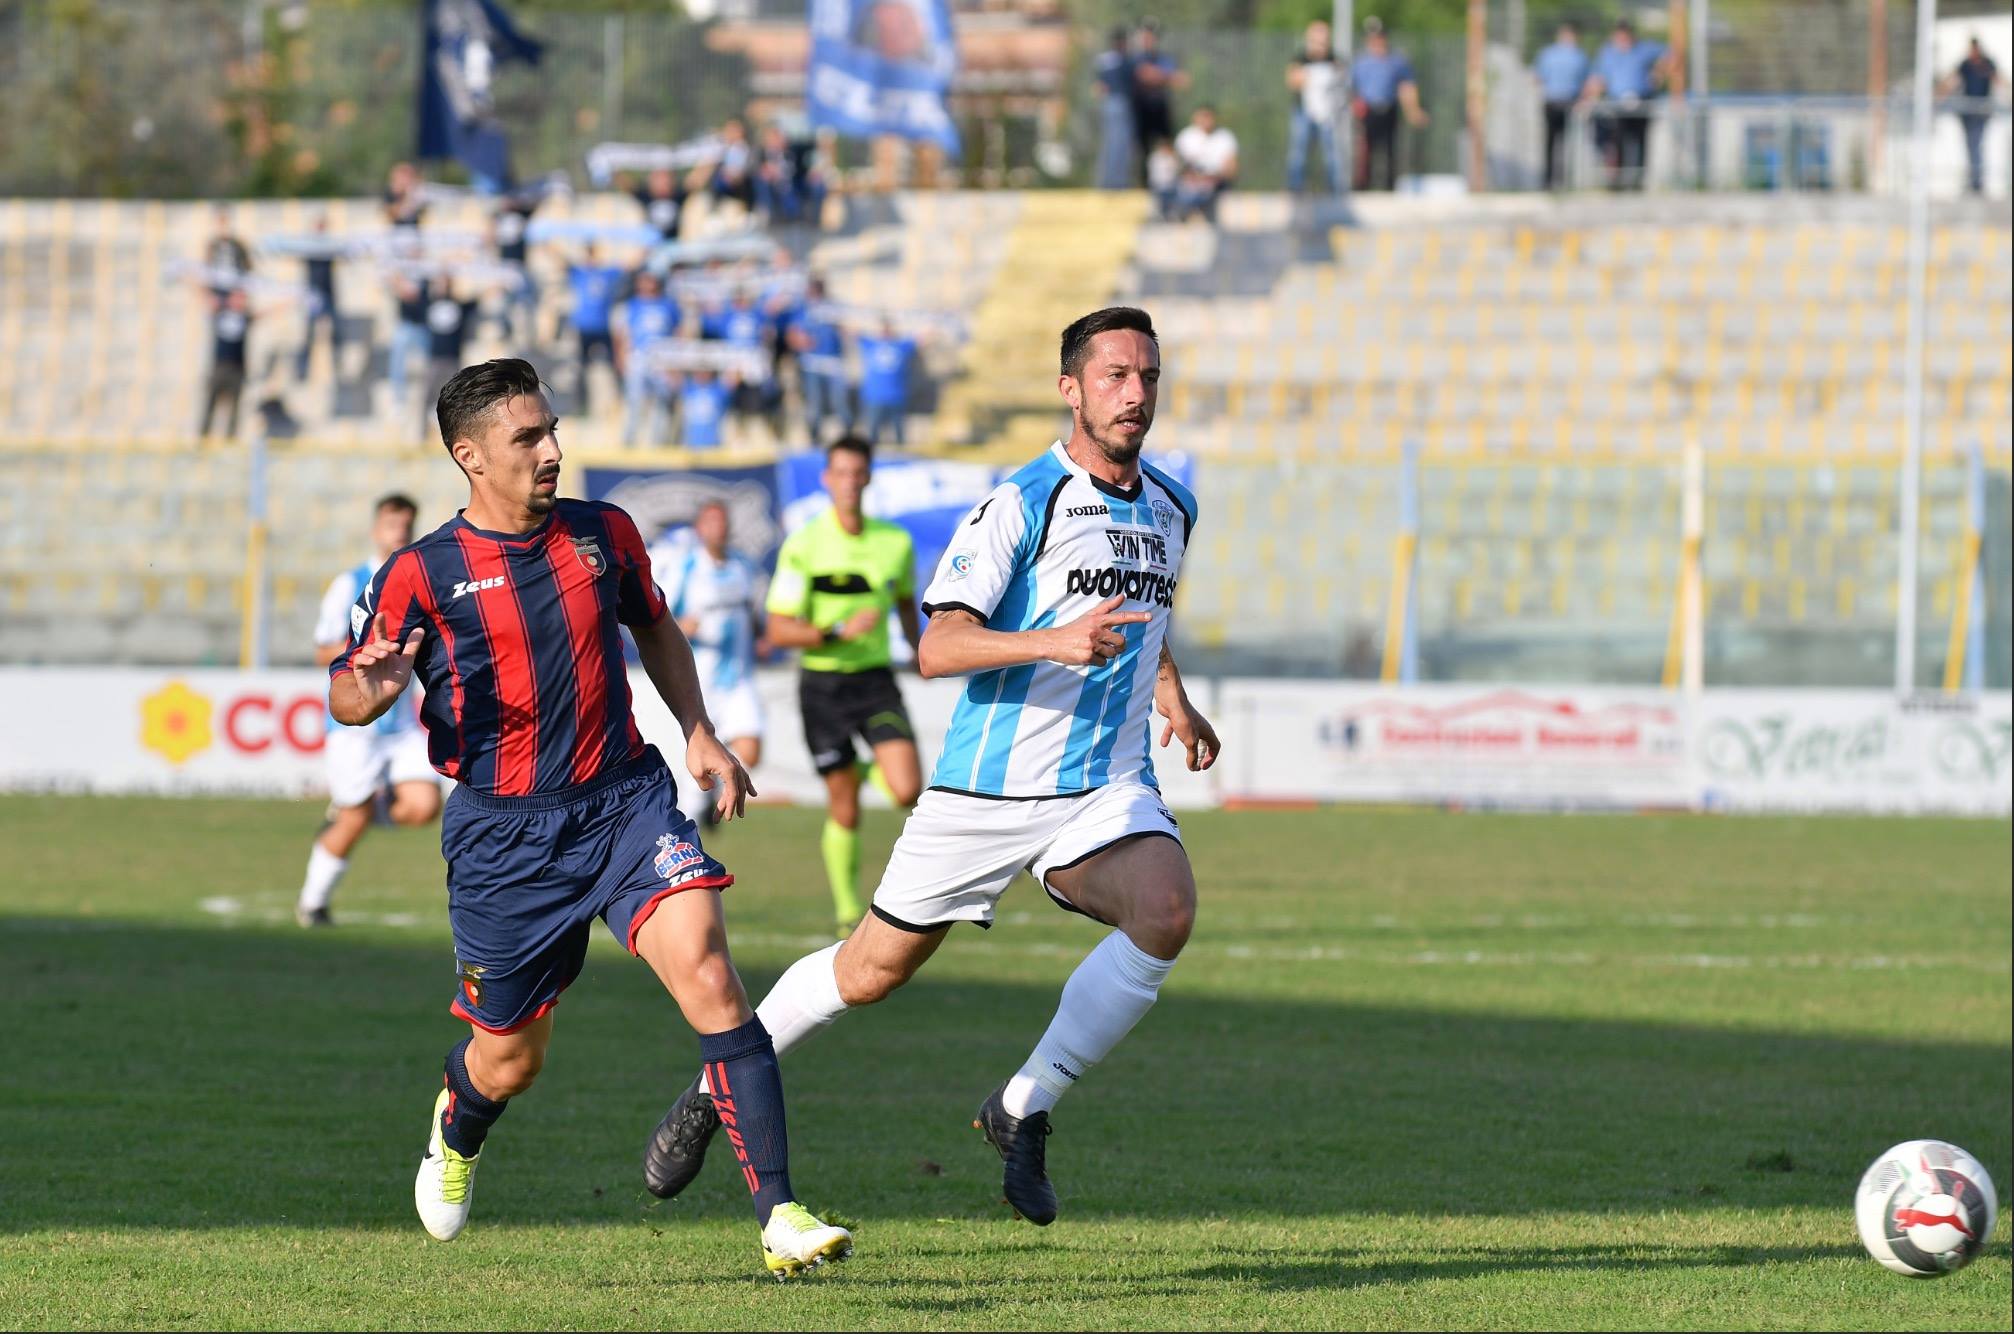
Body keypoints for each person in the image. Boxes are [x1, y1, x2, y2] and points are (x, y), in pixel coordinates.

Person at [640, 306, 1219, 1232]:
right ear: (1070, 390)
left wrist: (1169, 693)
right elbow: (939, 645)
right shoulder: (1022, 502)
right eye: (1114, 375)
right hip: (987, 791)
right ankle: (720, 1082)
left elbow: (1143, 619)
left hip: (1104, 786)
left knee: (1168, 911)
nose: (1135, 393)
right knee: (870, 972)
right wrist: (1055, 641)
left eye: (1147, 375)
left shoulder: (1172, 507)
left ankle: (1023, 1107)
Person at [328, 358, 851, 1277]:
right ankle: (459, 1122)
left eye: (552, 429)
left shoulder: (604, 533)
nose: (553, 450)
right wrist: (365, 691)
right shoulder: (420, 572)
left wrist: (700, 732)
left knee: (712, 974)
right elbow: (349, 688)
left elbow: (654, 626)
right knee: (510, 1062)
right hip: (503, 839)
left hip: (624, 803)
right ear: (470, 456)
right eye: (528, 437)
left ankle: (781, 1215)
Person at [756, 437, 923, 935]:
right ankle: (848, 909)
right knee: (844, 805)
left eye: (858, 472)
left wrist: (920, 652)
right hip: (823, 687)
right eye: (841, 473)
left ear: (868, 478)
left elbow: (905, 605)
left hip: (875, 683)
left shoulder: (896, 543)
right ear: (827, 480)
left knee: (906, 789)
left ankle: (863, 764)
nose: (850, 482)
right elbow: (779, 629)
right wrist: (832, 632)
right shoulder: (805, 544)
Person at [297, 494, 442, 928]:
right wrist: (365, 651)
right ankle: (312, 903)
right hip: (355, 726)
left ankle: (352, 813)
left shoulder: (419, 578)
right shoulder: (351, 583)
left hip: (399, 726)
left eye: (406, 524)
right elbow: (323, 648)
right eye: (392, 523)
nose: (399, 531)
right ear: (376, 527)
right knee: (355, 818)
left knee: (423, 805)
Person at [652, 501, 767, 826]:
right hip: (699, 680)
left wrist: (761, 636)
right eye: (711, 522)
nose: (718, 528)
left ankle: (713, 797)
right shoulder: (686, 567)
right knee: (696, 760)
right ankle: (690, 825)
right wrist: (686, 627)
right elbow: (660, 619)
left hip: (739, 677)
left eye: (722, 521)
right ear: (700, 529)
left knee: (752, 748)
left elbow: (755, 615)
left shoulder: (743, 568)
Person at [1580, 19, 1667, 191]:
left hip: (1641, 102)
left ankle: (1637, 182)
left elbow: (1671, 54)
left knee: (1641, 142)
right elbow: (1598, 78)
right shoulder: (1607, 53)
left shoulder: (1644, 49)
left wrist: (1658, 73)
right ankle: (1618, 182)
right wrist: (1588, 98)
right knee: (1617, 143)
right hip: (1617, 106)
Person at [1352, 18, 1428, 192]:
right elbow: (1352, 88)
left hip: (1389, 109)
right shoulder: (1361, 61)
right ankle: (1362, 188)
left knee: (1390, 151)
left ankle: (1389, 188)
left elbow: (1407, 87)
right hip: (1367, 111)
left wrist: (1413, 110)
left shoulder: (1397, 61)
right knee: (1365, 152)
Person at [617, 270, 683, 447]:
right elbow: (623, 334)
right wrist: (622, 358)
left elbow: (678, 333)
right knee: (635, 401)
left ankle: (658, 443)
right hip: (639, 356)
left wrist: (675, 363)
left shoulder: (668, 305)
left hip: (662, 359)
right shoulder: (632, 305)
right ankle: (629, 442)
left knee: (661, 402)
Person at [420, 279, 484, 441]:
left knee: (456, 399)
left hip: (453, 359)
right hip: (434, 359)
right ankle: (422, 435)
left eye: (446, 284)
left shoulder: (458, 305)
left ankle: (458, 435)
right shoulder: (429, 304)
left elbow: (478, 300)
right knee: (426, 398)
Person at [1286, 20, 1346, 195]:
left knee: (1331, 153)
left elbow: (1342, 83)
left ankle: (1334, 189)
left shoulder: (1334, 60)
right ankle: (1296, 188)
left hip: (1328, 113)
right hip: (1304, 111)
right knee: (1299, 150)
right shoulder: (1300, 59)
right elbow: (1292, 82)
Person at [565, 246, 624, 415]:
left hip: (603, 327)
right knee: (581, 367)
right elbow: (562, 262)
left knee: (614, 365)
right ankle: (581, 405)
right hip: (584, 328)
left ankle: (618, 401)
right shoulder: (580, 273)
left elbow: (629, 266)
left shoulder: (607, 273)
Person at [790, 276, 850, 442]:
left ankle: (847, 437)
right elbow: (792, 334)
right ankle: (814, 439)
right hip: (812, 362)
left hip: (833, 361)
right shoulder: (803, 309)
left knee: (839, 402)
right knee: (814, 404)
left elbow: (845, 327)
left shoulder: (833, 306)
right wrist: (801, 341)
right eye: (813, 288)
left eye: (818, 288)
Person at [1128, 20, 1187, 188]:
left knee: (1166, 145)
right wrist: (1163, 76)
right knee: (1142, 149)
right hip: (1141, 108)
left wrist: (1156, 75)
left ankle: (1170, 184)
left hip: (1160, 106)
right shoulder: (1135, 58)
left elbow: (1178, 79)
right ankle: (1143, 186)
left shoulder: (1164, 58)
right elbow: (1141, 75)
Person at [1944, 37, 2005, 196]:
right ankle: (1973, 180)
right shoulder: (1965, 64)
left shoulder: (1986, 63)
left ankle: (1977, 182)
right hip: (1967, 112)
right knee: (1970, 145)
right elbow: (1952, 81)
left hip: (1981, 112)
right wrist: (1938, 94)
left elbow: (1998, 80)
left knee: (1976, 144)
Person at [1534, 22, 1590, 190]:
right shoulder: (1570, 55)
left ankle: (1558, 181)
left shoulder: (1575, 55)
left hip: (1562, 101)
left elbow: (1538, 78)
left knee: (1561, 144)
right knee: (1556, 143)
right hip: (1558, 101)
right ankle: (1554, 181)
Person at [199, 288, 254, 439]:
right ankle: (203, 437)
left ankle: (230, 438)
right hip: (220, 366)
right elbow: (204, 296)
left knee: (235, 407)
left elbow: (264, 314)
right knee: (210, 405)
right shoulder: (220, 313)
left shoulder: (245, 317)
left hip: (237, 369)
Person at [296, 214, 344, 383]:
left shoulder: (329, 245)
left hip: (328, 292)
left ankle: (338, 364)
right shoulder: (309, 245)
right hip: (314, 294)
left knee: (336, 330)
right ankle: (301, 369)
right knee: (309, 332)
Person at [489, 190, 541, 347]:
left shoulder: (521, 214)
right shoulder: (499, 216)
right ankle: (505, 329)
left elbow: (536, 203)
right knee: (504, 301)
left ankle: (530, 333)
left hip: (520, 265)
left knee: (527, 301)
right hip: (505, 266)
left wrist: (519, 202)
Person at [855, 319, 918, 446]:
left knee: (899, 431)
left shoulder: (901, 345)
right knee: (873, 431)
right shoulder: (870, 344)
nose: (885, 332)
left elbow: (922, 338)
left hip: (897, 395)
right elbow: (851, 331)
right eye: (883, 330)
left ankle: (901, 454)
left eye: (888, 329)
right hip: (874, 395)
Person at [1173, 105, 1239, 223]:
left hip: (1217, 184)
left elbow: (1231, 168)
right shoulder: (1186, 137)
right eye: (1201, 117)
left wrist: (1213, 177)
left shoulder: (1225, 137)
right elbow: (1179, 167)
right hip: (1192, 184)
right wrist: (1196, 177)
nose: (1205, 120)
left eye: (1207, 117)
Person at [1094, 26, 1136, 190]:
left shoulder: (1103, 60)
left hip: (1108, 103)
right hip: (1120, 102)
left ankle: (1107, 181)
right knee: (1120, 143)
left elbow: (1099, 86)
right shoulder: (1123, 60)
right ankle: (1116, 183)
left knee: (1110, 143)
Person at [387, 265, 431, 407]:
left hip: (423, 326)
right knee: (397, 355)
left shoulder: (427, 273)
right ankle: (398, 396)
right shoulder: (402, 270)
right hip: (406, 325)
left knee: (433, 360)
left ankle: (432, 398)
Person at [632, 166, 689, 244]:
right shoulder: (645, 196)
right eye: (659, 180)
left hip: (674, 244)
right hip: (651, 245)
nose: (663, 183)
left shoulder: (678, 196)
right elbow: (625, 183)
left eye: (666, 180)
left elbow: (696, 181)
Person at [679, 368, 734, 448]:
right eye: (699, 371)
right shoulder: (687, 388)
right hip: (691, 444)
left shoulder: (719, 389)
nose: (701, 374)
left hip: (714, 444)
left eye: (705, 371)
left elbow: (732, 379)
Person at [384, 161, 428, 230]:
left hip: (414, 230)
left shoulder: (416, 192)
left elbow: (422, 211)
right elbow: (393, 214)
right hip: (398, 231)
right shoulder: (391, 193)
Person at [1146, 138, 1181, 219]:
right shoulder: (1155, 158)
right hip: (1158, 185)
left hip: (1171, 185)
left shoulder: (1172, 158)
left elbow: (1175, 171)